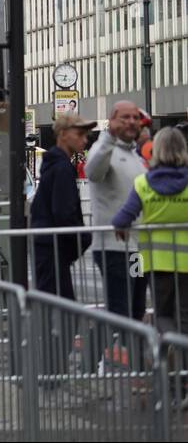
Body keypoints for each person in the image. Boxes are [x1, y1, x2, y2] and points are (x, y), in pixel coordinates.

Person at [114, 126, 188, 335]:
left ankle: (162, 357)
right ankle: (183, 362)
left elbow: (122, 218)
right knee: (185, 316)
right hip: (186, 263)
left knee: (162, 315)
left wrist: (122, 229)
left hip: (156, 262)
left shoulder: (143, 183)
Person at [86, 101, 150, 322]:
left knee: (136, 308)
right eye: (125, 117)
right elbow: (93, 172)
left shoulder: (136, 157)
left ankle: (128, 353)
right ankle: (105, 354)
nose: (132, 122)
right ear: (112, 120)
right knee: (120, 312)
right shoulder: (103, 150)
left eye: (135, 117)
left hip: (137, 250)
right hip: (114, 249)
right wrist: (108, 138)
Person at [30, 113, 94, 300]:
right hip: (52, 247)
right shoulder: (62, 168)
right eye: (80, 134)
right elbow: (64, 212)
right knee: (60, 306)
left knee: (56, 304)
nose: (85, 139)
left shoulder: (56, 164)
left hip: (48, 244)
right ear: (64, 134)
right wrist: (83, 240)